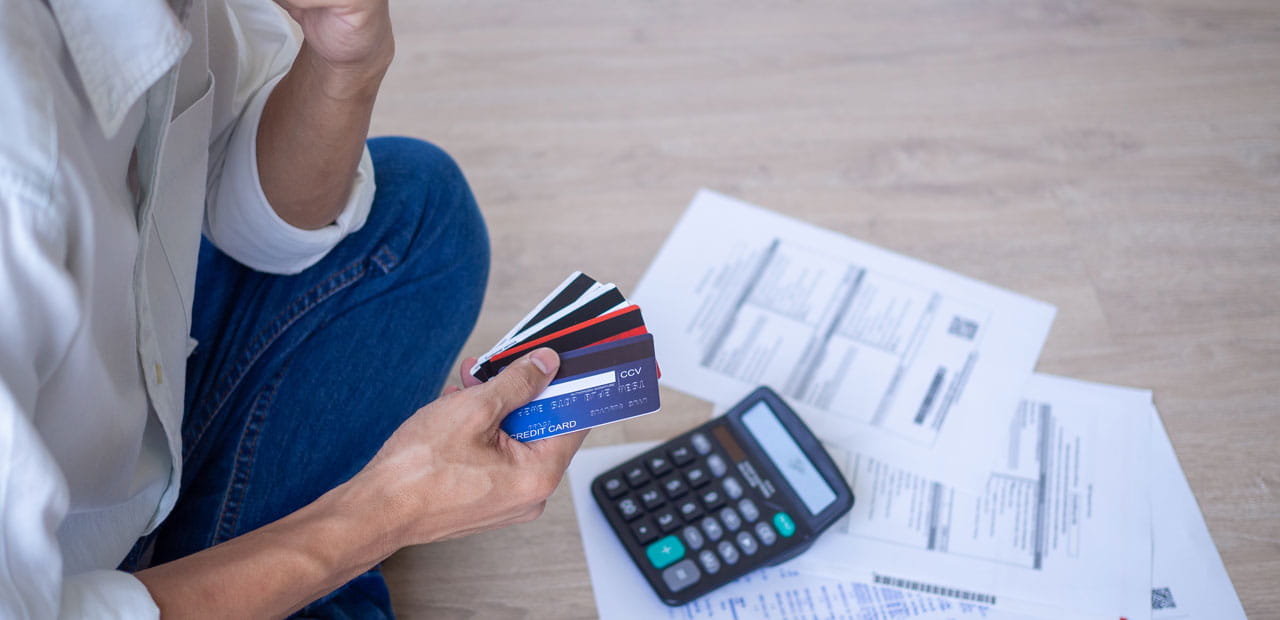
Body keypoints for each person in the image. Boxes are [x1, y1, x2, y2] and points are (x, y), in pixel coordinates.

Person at [0, 0, 586, 617]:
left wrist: (344, 66)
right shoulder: (18, 173)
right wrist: (386, 512)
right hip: (54, 588)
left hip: (118, 462)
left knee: (419, 210)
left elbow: (255, 223)